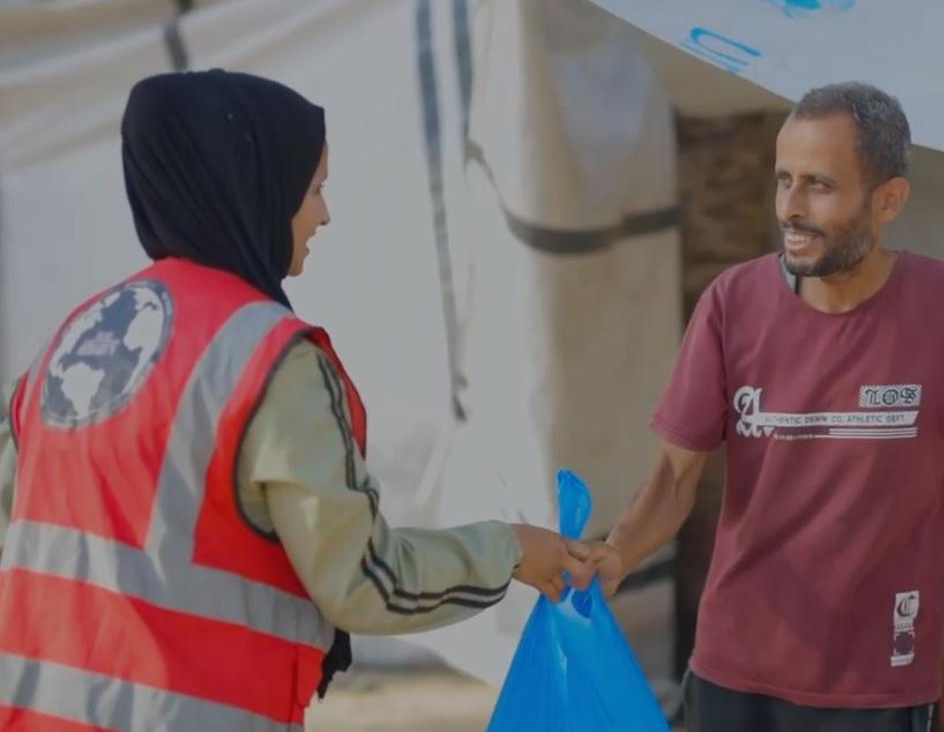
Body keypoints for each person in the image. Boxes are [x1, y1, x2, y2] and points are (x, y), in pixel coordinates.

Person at [0, 70, 593, 731]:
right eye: (313, 187)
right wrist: (509, 549)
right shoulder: (268, 359)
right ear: (250, 187)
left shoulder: (65, 347)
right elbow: (364, 580)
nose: (324, 214)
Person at [592, 82, 944, 732]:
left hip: (883, 683)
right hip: (734, 674)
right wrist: (617, 554)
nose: (791, 208)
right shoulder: (730, 304)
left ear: (888, 200)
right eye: (784, 180)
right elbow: (676, 475)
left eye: (819, 185)